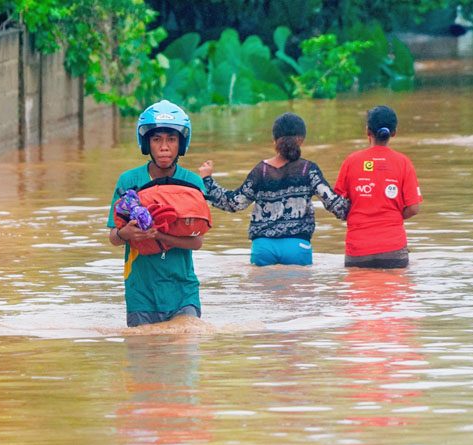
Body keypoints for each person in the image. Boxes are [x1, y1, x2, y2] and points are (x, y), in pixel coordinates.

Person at [198, 112, 348, 266]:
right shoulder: (308, 170)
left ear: (274, 141)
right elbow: (334, 204)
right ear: (301, 140)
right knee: (300, 290)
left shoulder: (260, 171)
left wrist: (207, 179)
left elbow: (234, 203)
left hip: (263, 248)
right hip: (296, 247)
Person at [107, 100, 206, 328]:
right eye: (157, 139)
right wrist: (126, 233)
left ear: (181, 143)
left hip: (183, 290)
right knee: (145, 359)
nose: (164, 147)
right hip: (140, 293)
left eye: (171, 139)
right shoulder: (128, 181)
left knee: (184, 354)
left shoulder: (193, 183)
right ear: (147, 143)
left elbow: (197, 241)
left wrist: (159, 236)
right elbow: (113, 238)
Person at [333, 105, 422, 269]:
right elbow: (413, 208)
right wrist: (391, 217)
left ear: (367, 130)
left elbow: (337, 202)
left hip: (358, 249)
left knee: (358, 293)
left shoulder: (351, 162)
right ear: (394, 132)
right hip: (393, 248)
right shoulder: (403, 163)